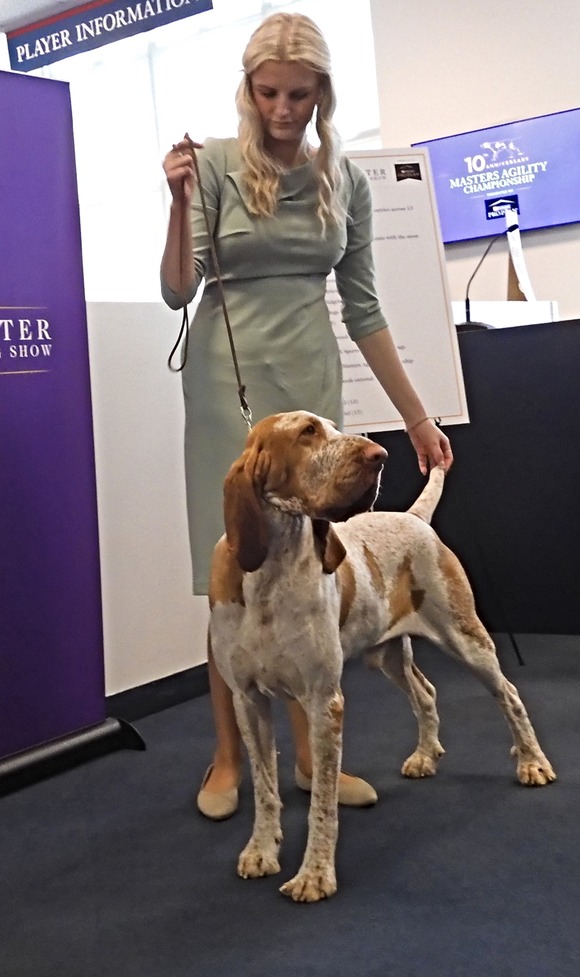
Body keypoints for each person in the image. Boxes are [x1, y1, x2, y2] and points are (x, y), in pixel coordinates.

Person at [160, 11, 453, 820]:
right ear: (248, 93)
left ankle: (310, 759)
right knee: (231, 577)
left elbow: (363, 308)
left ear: (321, 92)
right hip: (229, 385)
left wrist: (418, 417)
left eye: (298, 94)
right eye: (268, 93)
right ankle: (227, 757)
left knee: (308, 580)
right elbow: (178, 290)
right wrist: (180, 201)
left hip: (310, 384)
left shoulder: (343, 179)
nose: (283, 109)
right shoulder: (214, 165)